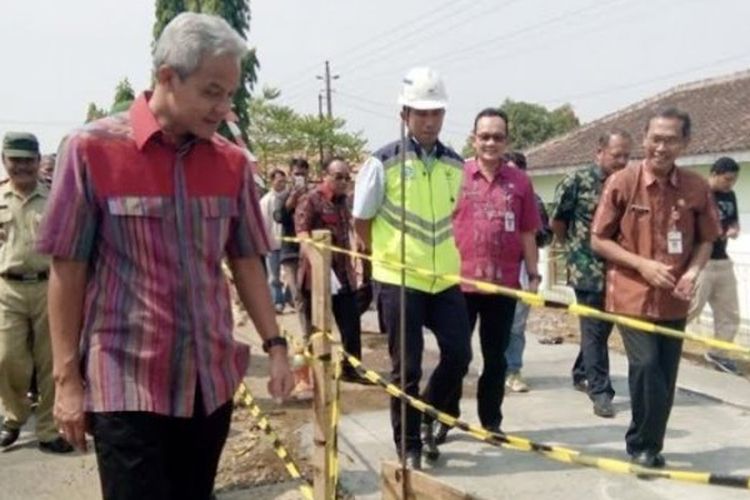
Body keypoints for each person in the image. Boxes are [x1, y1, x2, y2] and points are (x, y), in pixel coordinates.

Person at [37, 13, 294, 500]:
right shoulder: (90, 150)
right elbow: (67, 268)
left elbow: (245, 260)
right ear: (167, 77)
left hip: (209, 384)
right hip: (128, 384)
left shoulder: (231, 163)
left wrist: (275, 346)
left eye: (230, 93)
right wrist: (67, 380)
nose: (224, 107)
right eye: (211, 91)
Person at [352, 67, 471, 470]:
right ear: (404, 114)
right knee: (408, 369)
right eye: (421, 112)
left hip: (444, 281)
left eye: (436, 112)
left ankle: (426, 416)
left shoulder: (456, 164)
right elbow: (361, 220)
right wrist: (382, 260)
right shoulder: (380, 162)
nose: (429, 120)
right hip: (399, 280)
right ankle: (409, 445)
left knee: (459, 354)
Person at [591, 107, 720, 468]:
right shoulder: (622, 181)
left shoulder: (696, 187)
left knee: (666, 374)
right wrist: (642, 265)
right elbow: (599, 239)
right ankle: (641, 445)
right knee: (646, 366)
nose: (661, 147)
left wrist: (692, 273)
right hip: (631, 294)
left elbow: (707, 240)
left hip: (675, 299)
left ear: (685, 143)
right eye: (655, 139)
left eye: (670, 140)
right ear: (644, 139)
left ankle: (651, 445)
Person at [451, 108, 540, 434]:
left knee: (496, 359)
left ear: (507, 141)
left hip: (503, 286)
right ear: (474, 139)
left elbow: (528, 231)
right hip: (459, 284)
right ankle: (445, 419)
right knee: (456, 358)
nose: (490, 142)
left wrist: (533, 275)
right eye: (484, 136)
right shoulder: (455, 175)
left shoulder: (520, 182)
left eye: (497, 137)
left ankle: (491, 422)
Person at [551, 130, 632, 418]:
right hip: (588, 268)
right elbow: (559, 221)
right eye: (616, 155)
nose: (621, 161)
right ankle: (601, 392)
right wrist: (575, 251)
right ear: (600, 152)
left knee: (600, 329)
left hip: (620, 269)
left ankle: (581, 371)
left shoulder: (630, 184)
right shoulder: (578, 181)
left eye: (626, 156)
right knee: (595, 330)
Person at [0, 132, 72, 454]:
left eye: (28, 161)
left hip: (49, 287)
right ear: (4, 161)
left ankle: (47, 429)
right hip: (7, 289)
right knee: (6, 358)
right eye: (15, 161)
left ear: (38, 160)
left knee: (49, 361)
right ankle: (14, 416)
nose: (22, 167)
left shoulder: (56, 197)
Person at [295, 156, 370, 385]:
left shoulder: (345, 202)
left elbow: (351, 229)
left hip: (344, 275)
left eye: (347, 177)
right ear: (325, 175)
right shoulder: (311, 200)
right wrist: (319, 264)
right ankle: (311, 375)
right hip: (316, 278)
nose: (344, 181)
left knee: (351, 325)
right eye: (338, 177)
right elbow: (302, 233)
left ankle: (350, 368)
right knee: (315, 329)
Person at [688, 156, 742, 374]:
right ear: (714, 174)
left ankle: (719, 354)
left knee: (729, 313)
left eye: (734, 180)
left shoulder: (730, 195)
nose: (730, 184)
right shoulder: (699, 193)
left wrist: (734, 229)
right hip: (702, 261)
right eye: (727, 179)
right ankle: (661, 341)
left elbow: (733, 220)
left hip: (723, 261)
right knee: (691, 308)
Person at [503, 151, 551, 393]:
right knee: (494, 324)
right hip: (495, 272)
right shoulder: (494, 196)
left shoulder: (534, 200)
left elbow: (545, 235)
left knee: (516, 325)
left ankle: (513, 369)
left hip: (523, 271)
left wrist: (529, 234)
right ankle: (495, 365)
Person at [274, 157, 312, 334]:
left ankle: (315, 332)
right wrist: (292, 199)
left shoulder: (314, 196)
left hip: (312, 253)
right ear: (290, 174)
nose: (300, 178)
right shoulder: (282, 195)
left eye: (303, 175)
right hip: (290, 254)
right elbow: (279, 217)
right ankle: (307, 336)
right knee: (299, 296)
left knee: (312, 295)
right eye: (296, 174)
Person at [260, 169, 289, 313]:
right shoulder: (266, 201)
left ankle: (290, 298)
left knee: (291, 275)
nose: (282, 184)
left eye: (284, 181)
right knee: (274, 276)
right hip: (272, 243)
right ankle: (278, 302)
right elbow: (263, 223)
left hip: (288, 243)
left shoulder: (290, 198)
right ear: (272, 182)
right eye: (279, 181)